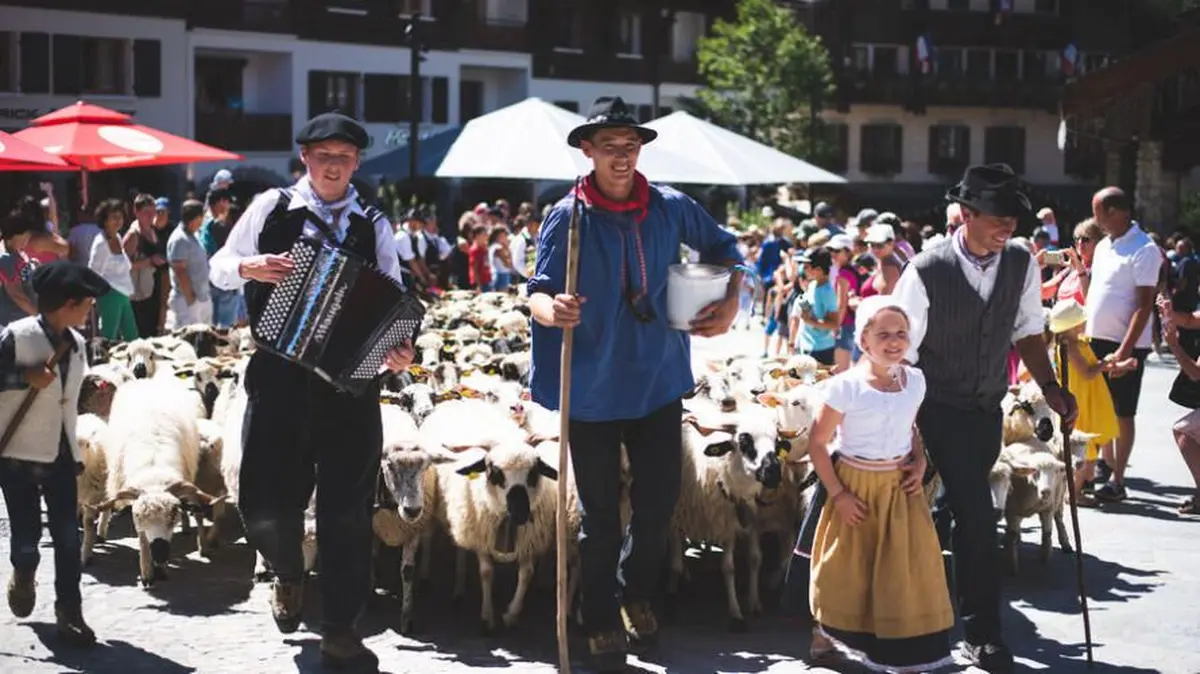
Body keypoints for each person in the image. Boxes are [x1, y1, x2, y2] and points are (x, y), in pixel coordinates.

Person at [528, 95, 742, 673]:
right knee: (600, 516)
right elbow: (537, 289)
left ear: (641, 149)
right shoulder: (566, 216)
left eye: (630, 146)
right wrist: (553, 310)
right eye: (609, 147)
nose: (621, 157)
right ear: (587, 151)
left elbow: (727, 249)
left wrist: (729, 298)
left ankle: (635, 595)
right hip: (592, 389)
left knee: (657, 506)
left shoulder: (671, 206)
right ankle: (598, 616)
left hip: (657, 381)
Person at [209, 111, 415, 670]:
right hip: (278, 376)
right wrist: (251, 266)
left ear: (356, 163)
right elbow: (219, 265)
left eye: (344, 157)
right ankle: (287, 568)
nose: (333, 165)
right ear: (305, 158)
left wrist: (401, 347)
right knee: (262, 501)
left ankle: (340, 627)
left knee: (348, 511)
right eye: (323, 155)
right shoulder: (270, 208)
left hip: (351, 387)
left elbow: (396, 298)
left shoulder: (373, 223)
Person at [891, 164, 1077, 673]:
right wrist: (906, 430)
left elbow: (1027, 330)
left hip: (986, 408)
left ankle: (927, 598)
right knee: (978, 514)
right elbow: (900, 355)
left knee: (954, 505)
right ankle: (983, 633)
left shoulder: (1020, 261)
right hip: (935, 407)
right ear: (966, 215)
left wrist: (1054, 389)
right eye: (998, 218)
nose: (1008, 228)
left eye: (1013, 220)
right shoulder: (926, 269)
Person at [806, 295, 954, 671]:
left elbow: (910, 427)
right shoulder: (846, 387)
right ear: (864, 341)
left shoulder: (915, 381)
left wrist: (920, 460)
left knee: (900, 567)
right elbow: (818, 444)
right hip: (856, 484)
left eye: (901, 333)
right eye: (883, 333)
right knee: (848, 567)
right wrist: (838, 495)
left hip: (899, 487)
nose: (894, 341)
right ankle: (827, 633)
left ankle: (894, 640)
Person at [0, 260, 111, 648]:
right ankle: (24, 571)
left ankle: (70, 611)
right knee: (28, 536)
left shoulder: (78, 345)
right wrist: (21, 377)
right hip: (18, 456)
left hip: (62, 454)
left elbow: (66, 395)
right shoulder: (17, 336)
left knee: (67, 536)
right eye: (87, 303)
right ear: (68, 303)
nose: (90, 310)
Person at [1084, 187, 1161, 503]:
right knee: (1099, 407)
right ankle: (1103, 464)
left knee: (1123, 412)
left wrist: (1126, 350)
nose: (1096, 220)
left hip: (1125, 343)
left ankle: (1118, 479)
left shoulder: (1145, 248)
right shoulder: (1104, 246)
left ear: (1116, 211)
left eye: (1098, 212)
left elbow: (1145, 304)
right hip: (1096, 339)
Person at [1048, 299, 1127, 506]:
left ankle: (1080, 488)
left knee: (1090, 447)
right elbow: (1088, 372)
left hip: (1088, 397)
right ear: (1074, 325)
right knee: (1084, 448)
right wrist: (1106, 362)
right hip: (1083, 401)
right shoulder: (1071, 347)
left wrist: (1111, 364)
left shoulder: (1077, 343)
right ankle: (1074, 493)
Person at [87, 199, 140, 340]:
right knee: (108, 338)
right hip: (109, 295)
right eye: (114, 217)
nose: (119, 221)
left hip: (123, 295)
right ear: (104, 220)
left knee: (132, 337)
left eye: (120, 217)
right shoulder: (100, 243)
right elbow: (93, 272)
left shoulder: (117, 237)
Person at [122, 194, 168, 337]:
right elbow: (124, 266)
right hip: (137, 296)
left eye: (153, 212)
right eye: (146, 212)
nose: (151, 216)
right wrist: (149, 261)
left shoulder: (152, 231)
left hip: (153, 290)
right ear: (136, 212)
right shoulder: (133, 235)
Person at [166, 200, 213, 329]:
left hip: (201, 297)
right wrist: (191, 302)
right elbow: (180, 272)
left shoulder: (194, 235)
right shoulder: (179, 239)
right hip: (187, 300)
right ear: (197, 217)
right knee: (188, 339)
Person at [790, 247, 839, 365]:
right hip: (806, 345)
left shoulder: (827, 292)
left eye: (806, 266)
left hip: (820, 350)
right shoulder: (812, 285)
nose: (803, 269)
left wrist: (810, 321)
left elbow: (834, 323)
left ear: (818, 269)